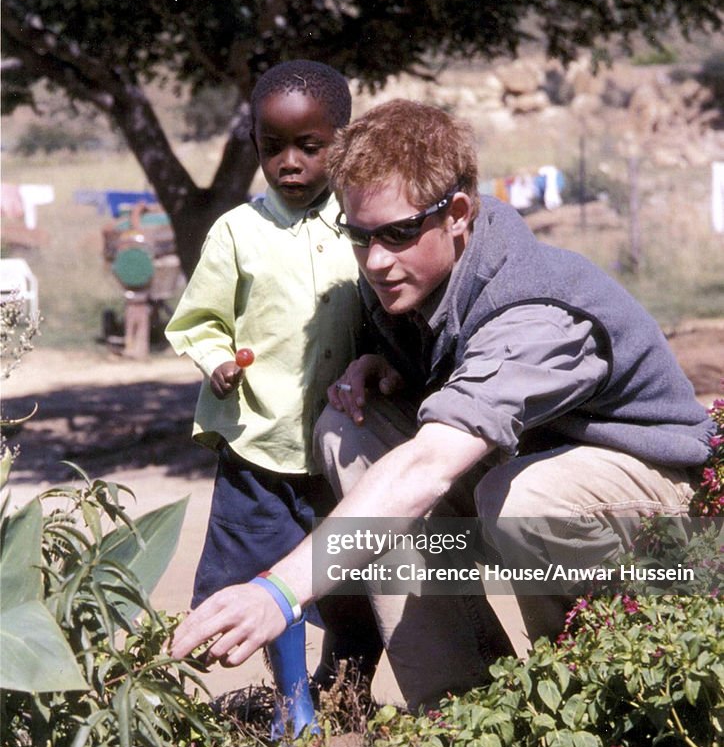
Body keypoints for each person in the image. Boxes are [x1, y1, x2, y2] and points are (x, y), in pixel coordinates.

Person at [171, 99, 715, 712]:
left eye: (398, 233)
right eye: (358, 236)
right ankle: (466, 712)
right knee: (350, 430)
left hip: (669, 513)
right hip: (535, 474)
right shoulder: (414, 282)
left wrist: (279, 590)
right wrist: (384, 368)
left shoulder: (536, 311)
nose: (376, 260)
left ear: (457, 213)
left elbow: (430, 463)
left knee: (516, 498)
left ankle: (594, 702)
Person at [165, 60, 382, 736]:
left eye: (308, 146)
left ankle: (350, 687)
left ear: (340, 142)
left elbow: (387, 311)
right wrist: (216, 359)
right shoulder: (238, 232)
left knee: (354, 579)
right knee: (270, 577)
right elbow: (197, 320)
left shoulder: (363, 224)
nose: (288, 163)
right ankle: (296, 705)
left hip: (342, 443)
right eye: (271, 147)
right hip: (261, 443)